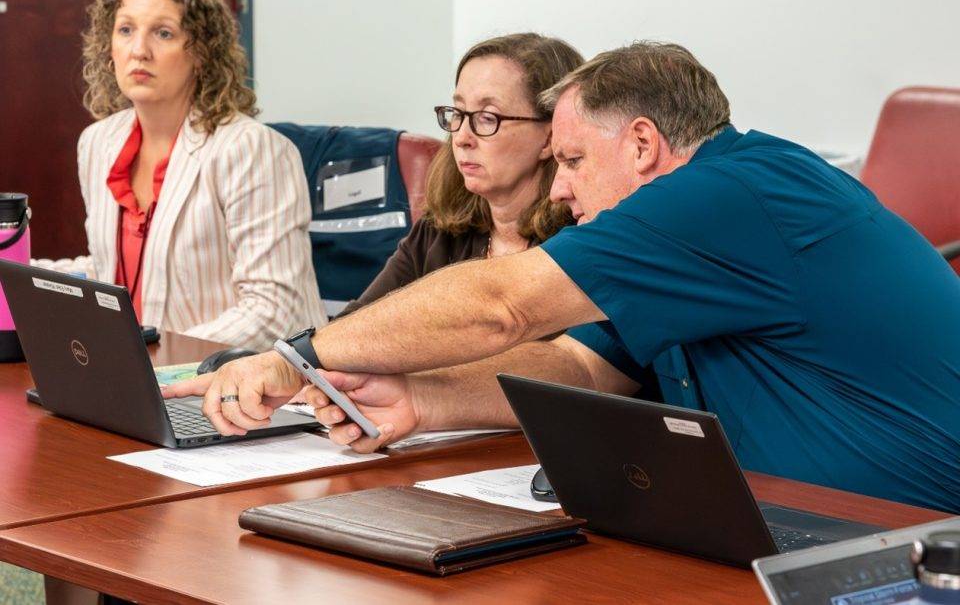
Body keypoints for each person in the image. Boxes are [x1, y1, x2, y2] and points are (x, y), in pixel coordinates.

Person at [164, 42, 960, 512]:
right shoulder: (689, 237)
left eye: (573, 160)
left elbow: (502, 306)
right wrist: (424, 400)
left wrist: (294, 355)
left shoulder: (732, 196)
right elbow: (587, 365)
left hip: (897, 540)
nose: (560, 189)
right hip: (788, 528)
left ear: (643, 145)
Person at [74, 0, 325, 350]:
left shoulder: (251, 150)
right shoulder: (98, 142)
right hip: (139, 385)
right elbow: (111, 270)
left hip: (246, 391)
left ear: (201, 52)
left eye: (163, 33)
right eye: (125, 30)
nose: (139, 50)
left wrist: (149, 360)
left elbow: (274, 312)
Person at [338, 33, 583, 316]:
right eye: (458, 113)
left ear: (550, 138)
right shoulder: (438, 233)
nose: (462, 137)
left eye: (488, 117)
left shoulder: (579, 239)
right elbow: (356, 324)